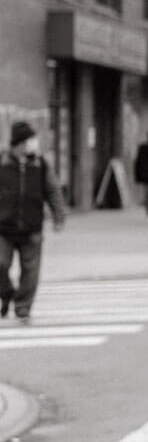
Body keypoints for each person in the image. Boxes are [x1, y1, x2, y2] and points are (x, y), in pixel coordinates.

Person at [0, 122, 65, 323]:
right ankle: (7, 291)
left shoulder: (40, 164)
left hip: (31, 227)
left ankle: (22, 307)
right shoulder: (2, 162)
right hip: (4, 226)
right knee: (0, 264)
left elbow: (52, 190)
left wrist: (58, 216)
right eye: (30, 140)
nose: (34, 144)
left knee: (31, 271)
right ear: (19, 143)